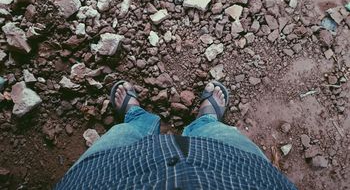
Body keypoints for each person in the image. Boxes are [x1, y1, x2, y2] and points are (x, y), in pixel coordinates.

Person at [55, 80, 297, 189]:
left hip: (111, 176)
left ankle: (137, 120)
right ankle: (206, 122)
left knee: (123, 135)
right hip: (238, 175)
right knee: (221, 137)